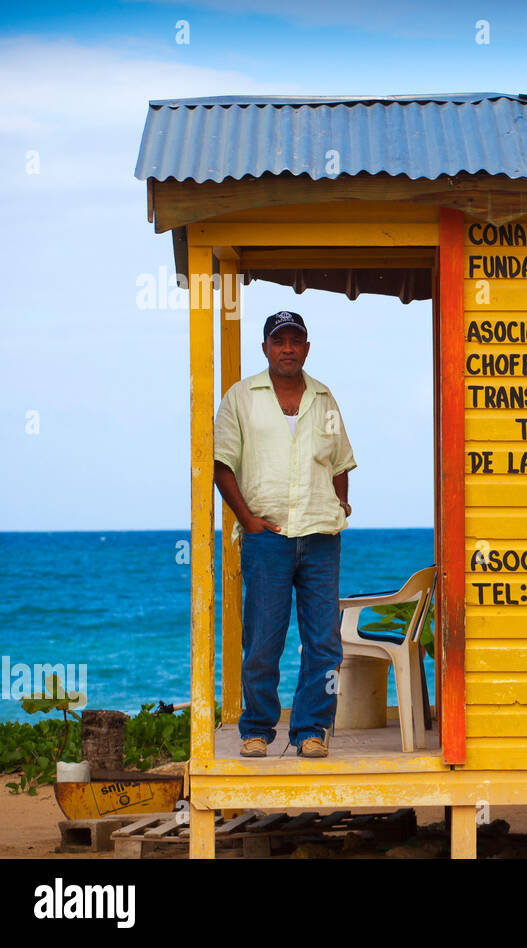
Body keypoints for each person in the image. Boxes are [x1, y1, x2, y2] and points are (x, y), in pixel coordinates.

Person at [212, 311, 357, 758]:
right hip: (266, 537)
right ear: (265, 349)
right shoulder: (241, 398)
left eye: (296, 340)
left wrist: (341, 505)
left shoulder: (324, 398)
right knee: (263, 639)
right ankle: (256, 730)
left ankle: (312, 730)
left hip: (319, 536)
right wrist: (247, 520)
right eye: (279, 341)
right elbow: (222, 466)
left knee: (323, 641)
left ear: (307, 348)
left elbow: (340, 463)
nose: (288, 348)